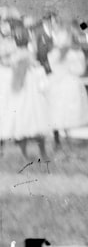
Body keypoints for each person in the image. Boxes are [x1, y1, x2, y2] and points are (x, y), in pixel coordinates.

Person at [2, 24, 51, 161]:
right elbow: (41, 78)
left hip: (19, 96)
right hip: (31, 97)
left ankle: (25, 154)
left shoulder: (12, 60)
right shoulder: (31, 60)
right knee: (36, 121)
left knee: (21, 123)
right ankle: (42, 152)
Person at [46, 26, 88, 148]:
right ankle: (66, 132)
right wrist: (70, 68)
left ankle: (59, 134)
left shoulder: (53, 53)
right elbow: (80, 70)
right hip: (69, 80)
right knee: (65, 106)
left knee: (57, 107)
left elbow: (54, 67)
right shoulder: (75, 53)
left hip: (56, 80)